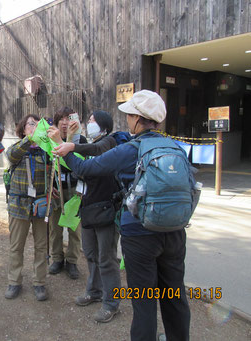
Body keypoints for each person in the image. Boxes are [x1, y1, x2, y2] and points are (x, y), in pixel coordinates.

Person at [56, 90, 190, 341]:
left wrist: (67, 152)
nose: (127, 120)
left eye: (129, 115)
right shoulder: (175, 146)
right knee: (174, 295)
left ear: (138, 119)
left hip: (140, 235)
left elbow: (87, 168)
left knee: (144, 301)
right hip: (175, 233)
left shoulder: (131, 149)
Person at [49, 110, 121, 323]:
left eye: (91, 121)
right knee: (90, 253)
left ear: (103, 125)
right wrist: (67, 144)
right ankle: (94, 291)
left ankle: (111, 303)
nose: (88, 123)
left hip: (106, 210)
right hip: (88, 208)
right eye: (88, 120)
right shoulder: (89, 144)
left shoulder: (109, 142)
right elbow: (78, 171)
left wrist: (70, 146)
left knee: (107, 259)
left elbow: (91, 157)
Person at [4, 114, 50, 301]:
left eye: (38, 124)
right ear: (23, 129)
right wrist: (29, 139)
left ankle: (40, 283)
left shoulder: (46, 151)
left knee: (41, 246)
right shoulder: (17, 149)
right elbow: (11, 155)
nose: (35, 127)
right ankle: (14, 282)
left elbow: (54, 174)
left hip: (40, 205)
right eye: (31, 124)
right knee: (16, 246)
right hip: (18, 205)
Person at [47, 107, 87, 280]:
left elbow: (86, 165)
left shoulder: (81, 140)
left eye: (68, 119)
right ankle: (57, 259)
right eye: (61, 119)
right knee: (55, 228)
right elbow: (46, 165)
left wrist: (83, 188)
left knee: (74, 228)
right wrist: (49, 188)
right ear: (56, 123)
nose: (64, 122)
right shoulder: (49, 140)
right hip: (56, 189)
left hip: (75, 188)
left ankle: (72, 261)